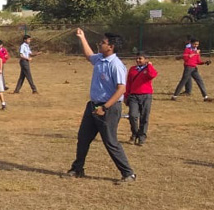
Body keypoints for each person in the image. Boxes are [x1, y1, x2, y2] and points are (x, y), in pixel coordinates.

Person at [66, 29, 136, 184]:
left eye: (103, 43)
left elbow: (121, 89)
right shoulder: (100, 59)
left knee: (110, 141)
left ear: (110, 47)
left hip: (108, 108)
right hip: (92, 106)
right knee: (83, 138)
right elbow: (89, 56)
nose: (100, 44)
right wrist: (82, 37)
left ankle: (128, 173)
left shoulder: (116, 65)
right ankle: (78, 168)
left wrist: (104, 107)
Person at [125, 53, 157, 146]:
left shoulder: (148, 69)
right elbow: (128, 83)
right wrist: (126, 95)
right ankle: (134, 133)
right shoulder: (132, 69)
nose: (138, 60)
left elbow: (152, 75)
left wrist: (150, 65)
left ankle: (142, 137)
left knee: (144, 117)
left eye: (140, 58)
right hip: (133, 96)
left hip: (146, 96)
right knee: (132, 116)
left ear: (146, 59)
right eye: (137, 58)